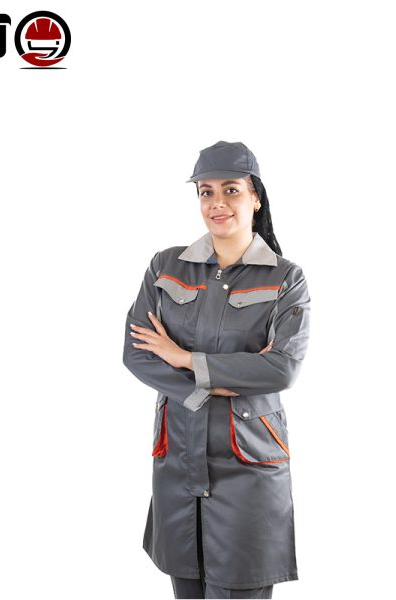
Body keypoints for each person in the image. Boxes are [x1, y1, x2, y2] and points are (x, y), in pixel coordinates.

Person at [122, 140, 311, 599]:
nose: (217, 203)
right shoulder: (166, 266)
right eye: (206, 192)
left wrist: (185, 359)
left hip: (248, 465)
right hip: (178, 460)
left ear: (256, 197)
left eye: (231, 190)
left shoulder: (285, 278)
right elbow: (137, 353)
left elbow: (281, 369)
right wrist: (213, 385)